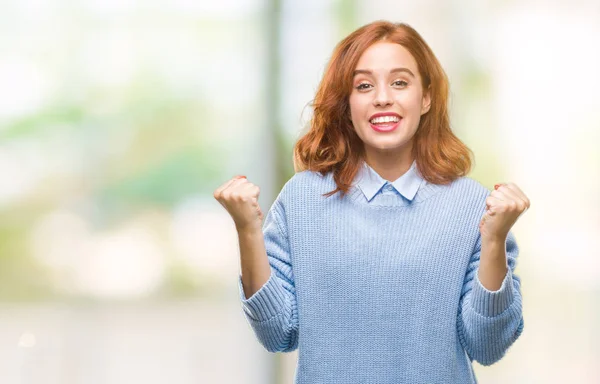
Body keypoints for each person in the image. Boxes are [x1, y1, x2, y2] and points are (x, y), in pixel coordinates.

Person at [213, 20, 530, 384]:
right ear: (347, 104)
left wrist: (494, 240)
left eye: (399, 82)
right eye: (364, 85)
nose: (382, 97)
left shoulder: (473, 204)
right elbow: (277, 335)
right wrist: (246, 228)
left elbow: (488, 346)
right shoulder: (301, 199)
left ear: (425, 97)